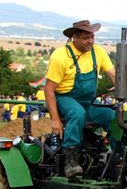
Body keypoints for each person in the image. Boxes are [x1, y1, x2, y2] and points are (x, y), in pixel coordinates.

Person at [44, 20, 117, 179]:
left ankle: (119, 156)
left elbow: (113, 75)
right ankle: (70, 159)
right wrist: (55, 119)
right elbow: (48, 89)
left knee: (112, 116)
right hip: (65, 97)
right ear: (74, 37)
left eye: (92, 37)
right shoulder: (60, 56)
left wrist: (124, 86)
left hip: (88, 101)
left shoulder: (98, 52)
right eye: (85, 38)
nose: (90, 41)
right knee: (77, 113)